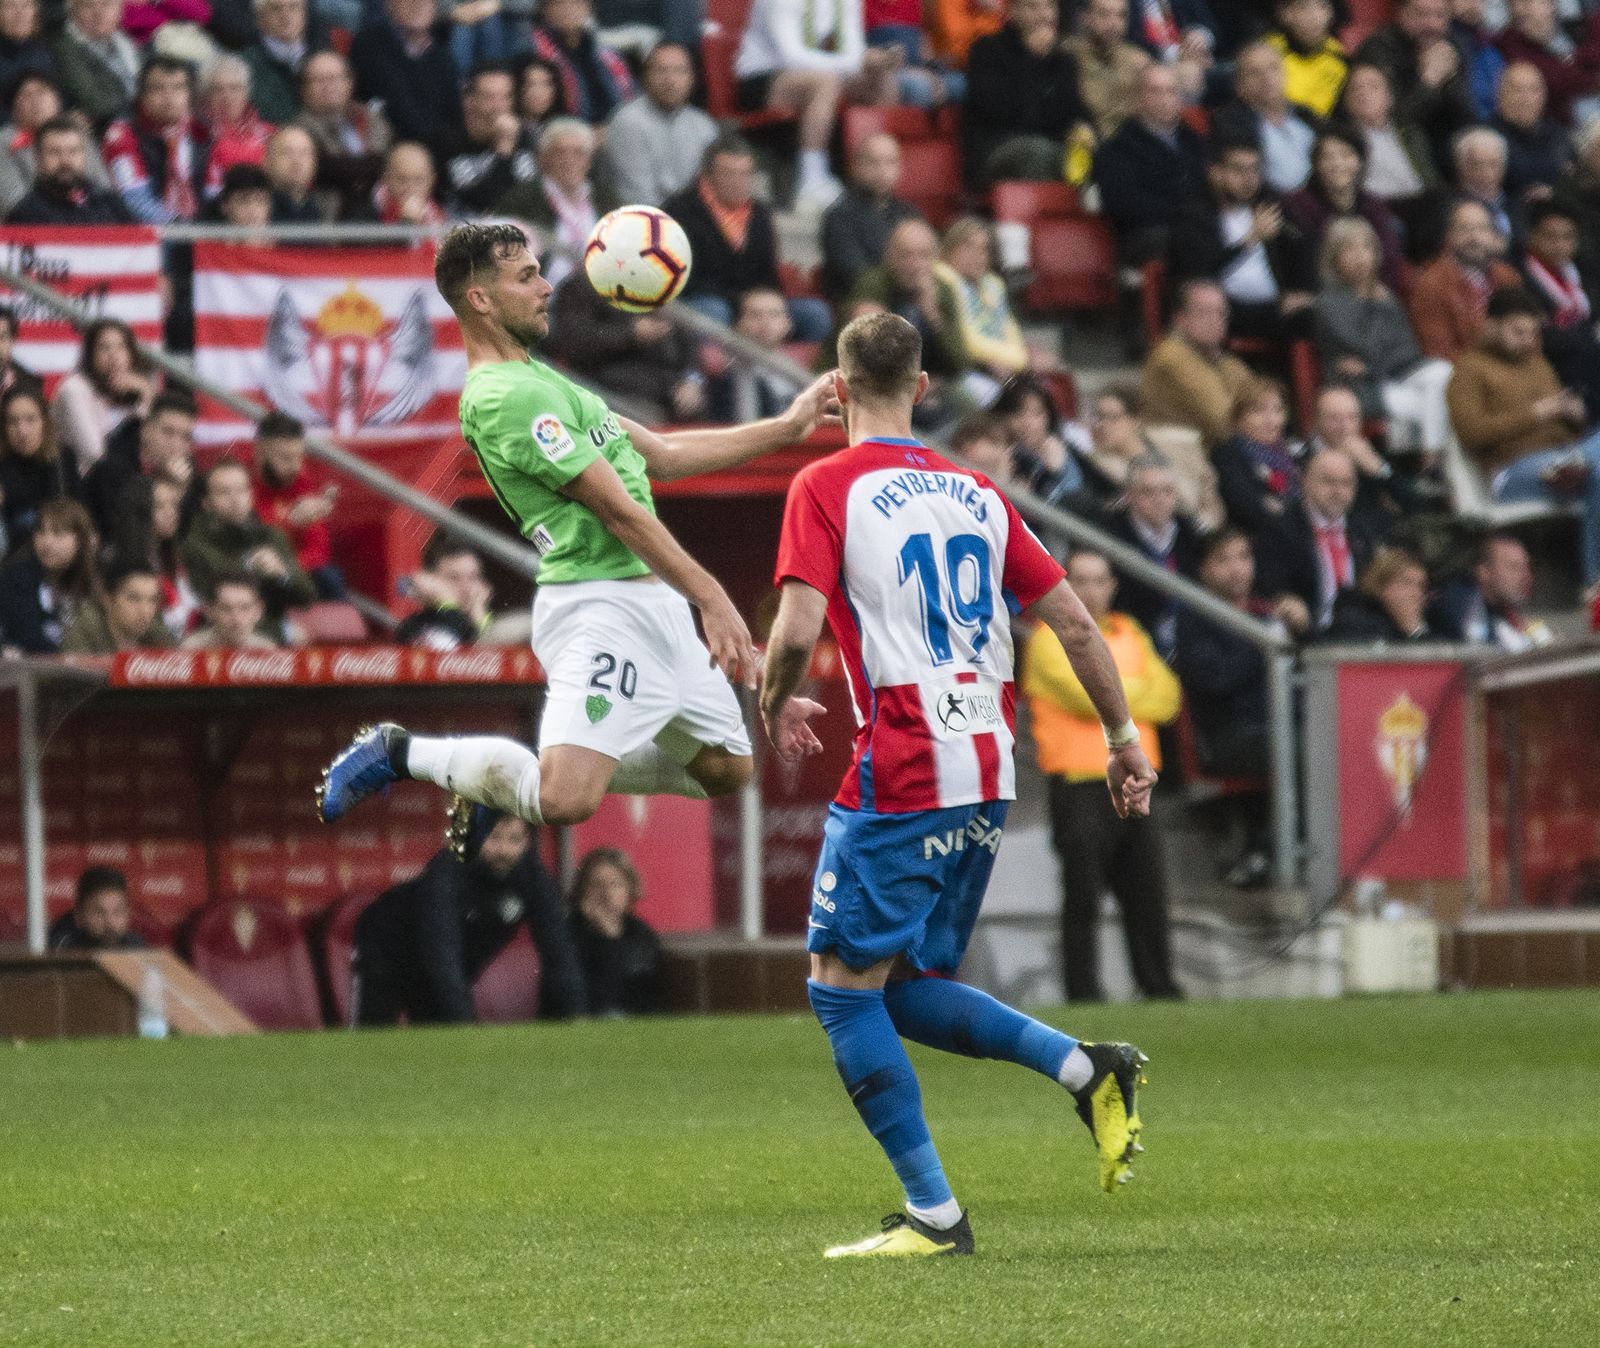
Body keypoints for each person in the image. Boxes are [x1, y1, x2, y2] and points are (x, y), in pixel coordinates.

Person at [756, 309, 1154, 1258]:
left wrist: (771, 703)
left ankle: (934, 1216)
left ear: (838, 391)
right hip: (987, 765)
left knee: (840, 991)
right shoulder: (978, 491)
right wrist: (1122, 737)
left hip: (903, 761)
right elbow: (1076, 623)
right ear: (924, 389)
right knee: (897, 986)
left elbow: (797, 626)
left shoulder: (826, 484)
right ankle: (1086, 1068)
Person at [315, 221, 838, 834]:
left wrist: (787, 427)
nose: (546, 288)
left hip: (655, 605)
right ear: (481, 299)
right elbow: (617, 511)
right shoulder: (505, 395)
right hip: (599, 606)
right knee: (564, 800)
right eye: (526, 277)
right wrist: (712, 598)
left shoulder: (544, 380)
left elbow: (662, 455)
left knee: (725, 768)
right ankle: (402, 752)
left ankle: (503, 782)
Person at [1024, 549, 1181, 1002]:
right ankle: (1083, 993)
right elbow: (1081, 694)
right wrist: (1132, 692)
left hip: (1138, 781)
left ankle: (1159, 988)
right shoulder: (1046, 638)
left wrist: (1111, 693)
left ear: (1113, 586)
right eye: (1081, 580)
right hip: (1078, 783)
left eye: (1100, 580)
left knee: (1148, 892)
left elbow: (1170, 697)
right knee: (1082, 896)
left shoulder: (1131, 630)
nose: (1091, 590)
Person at [351, 807, 586, 1025]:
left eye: (514, 839)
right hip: (388, 948)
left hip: (445, 966)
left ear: (527, 841)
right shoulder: (448, 872)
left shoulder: (534, 878)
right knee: (375, 1035)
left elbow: (559, 951)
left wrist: (576, 1017)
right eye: (494, 838)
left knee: (440, 1038)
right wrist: (468, 1032)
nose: (503, 850)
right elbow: (442, 955)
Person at [1448, 285, 1600, 584]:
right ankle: (1595, 582)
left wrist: (1574, 414)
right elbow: (1471, 434)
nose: (1527, 340)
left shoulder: (1537, 363)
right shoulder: (1468, 370)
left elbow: (1566, 420)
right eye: (1518, 332)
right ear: (1492, 326)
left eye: (1532, 333)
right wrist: (1535, 413)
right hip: (1510, 469)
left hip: (1564, 454)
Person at [1174, 527, 1277, 882]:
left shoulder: (1267, 612)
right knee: (1297, 750)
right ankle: (1265, 849)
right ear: (1203, 570)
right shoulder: (1195, 617)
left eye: (1244, 557)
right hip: (1223, 737)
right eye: (1223, 560)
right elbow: (1215, 679)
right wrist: (1263, 643)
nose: (1237, 568)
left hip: (1271, 729)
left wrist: (1299, 629)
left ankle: (1267, 849)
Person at [664, 134, 830, 341]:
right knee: (714, 311)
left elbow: (768, 273)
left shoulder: (759, 213)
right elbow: (682, 279)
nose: (738, 182)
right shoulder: (680, 210)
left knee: (815, 314)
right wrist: (743, 302)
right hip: (706, 302)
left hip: (754, 303)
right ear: (707, 175)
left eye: (745, 174)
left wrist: (769, 306)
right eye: (729, 173)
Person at [1314, 216, 1454, 453]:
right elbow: (1366, 346)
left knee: (1443, 371)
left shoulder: (1386, 296)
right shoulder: (1329, 303)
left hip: (1396, 375)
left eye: (1366, 247)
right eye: (1349, 249)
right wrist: (1374, 306)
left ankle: (1430, 458)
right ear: (1334, 257)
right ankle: (1431, 460)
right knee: (1443, 410)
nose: (1360, 256)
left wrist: (1371, 364)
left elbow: (1408, 349)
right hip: (1360, 389)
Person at [733, 0, 893, 205]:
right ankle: (812, 180)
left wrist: (873, 63)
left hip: (827, 70)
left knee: (882, 80)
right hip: (764, 76)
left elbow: (854, 48)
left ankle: (873, 174)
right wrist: (856, 62)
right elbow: (791, 56)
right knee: (826, 82)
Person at [1167, 137, 1315, 344]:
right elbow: (1199, 270)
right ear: (1215, 172)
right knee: (1314, 320)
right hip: (1225, 310)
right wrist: (1250, 239)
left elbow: (1301, 244)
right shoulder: (1194, 214)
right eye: (1239, 170)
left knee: (1328, 309)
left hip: (1274, 304)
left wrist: (1301, 292)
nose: (1249, 179)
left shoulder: (1266, 203)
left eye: (1255, 169)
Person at [1255, 444, 1386, 631]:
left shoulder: (1363, 531)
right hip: (1305, 634)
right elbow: (1272, 590)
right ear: (1304, 482)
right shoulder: (1280, 530)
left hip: (1357, 634)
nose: (1338, 491)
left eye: (1346, 483)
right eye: (1328, 481)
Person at [546, 269, 705, 422]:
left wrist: (692, 381)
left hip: (668, 387)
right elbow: (574, 341)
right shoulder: (584, 284)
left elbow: (688, 342)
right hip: (607, 379)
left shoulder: (655, 287)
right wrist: (631, 334)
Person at [961, 0, 1090, 189]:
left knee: (1102, 156)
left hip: (1050, 145)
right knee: (1039, 152)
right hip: (995, 150)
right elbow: (1004, 114)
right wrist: (1033, 60)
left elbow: (1075, 110)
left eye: (1049, 6)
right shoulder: (987, 50)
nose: (1044, 15)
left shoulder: (1063, 59)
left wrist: (1084, 129)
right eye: (1033, 6)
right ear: (1014, 11)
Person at [1093, 61, 1208, 269]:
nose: (1164, 99)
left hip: (1195, 226)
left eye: (1171, 91)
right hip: (1146, 236)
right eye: (1155, 91)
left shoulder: (1196, 142)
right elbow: (1125, 203)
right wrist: (1184, 215)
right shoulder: (1117, 148)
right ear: (1137, 99)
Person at [180, 459, 316, 632]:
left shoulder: (271, 536)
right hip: (220, 635)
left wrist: (282, 573)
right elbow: (209, 595)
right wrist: (252, 565)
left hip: (271, 635)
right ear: (207, 503)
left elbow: (306, 597)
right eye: (224, 492)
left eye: (241, 490)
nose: (235, 499)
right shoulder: (194, 543)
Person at [1099, 454, 1203, 657]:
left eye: (1167, 491)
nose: (1160, 500)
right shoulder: (1109, 534)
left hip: (1188, 643)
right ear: (1129, 495)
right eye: (1148, 492)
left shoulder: (1190, 534)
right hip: (1131, 642)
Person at [1283, 126, 1408, 293]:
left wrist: (1378, 288)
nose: (1337, 163)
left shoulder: (1372, 205)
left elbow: (1390, 259)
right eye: (1327, 157)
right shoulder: (1298, 205)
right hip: (1325, 294)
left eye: (1346, 155)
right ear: (1316, 164)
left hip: (1374, 291)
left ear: (1360, 161)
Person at [1353, 0, 1478, 164]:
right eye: (1421, 14)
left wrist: (1450, 80)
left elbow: (1466, 118)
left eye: (1439, 15)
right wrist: (1429, 81)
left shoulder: (1454, 45)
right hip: (1397, 144)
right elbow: (1394, 121)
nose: (1431, 24)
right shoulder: (1379, 49)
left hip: (1444, 142)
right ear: (1402, 14)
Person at [493, 119, 612, 285]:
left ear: (589, 160)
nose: (569, 160)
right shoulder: (524, 198)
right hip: (542, 288)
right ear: (543, 158)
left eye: (578, 153)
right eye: (560, 152)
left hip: (599, 287)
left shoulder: (605, 198)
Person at [1138, 279, 1255, 447]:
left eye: (1221, 312)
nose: (1214, 320)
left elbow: (1259, 403)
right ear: (1180, 318)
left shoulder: (1222, 360)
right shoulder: (1171, 357)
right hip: (1180, 456)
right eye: (1203, 312)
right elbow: (1222, 421)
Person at [601, 41, 716, 209]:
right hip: (642, 219)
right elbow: (639, 199)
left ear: (692, 79)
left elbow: (713, 189)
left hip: (693, 217)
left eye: (680, 71)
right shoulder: (628, 122)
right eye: (661, 71)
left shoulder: (703, 125)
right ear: (645, 77)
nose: (670, 80)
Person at [100, 54, 208, 223]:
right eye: (158, 88)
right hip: (147, 232)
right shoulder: (121, 134)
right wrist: (181, 230)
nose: (169, 96)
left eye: (178, 88)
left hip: (202, 228)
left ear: (190, 95)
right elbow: (134, 199)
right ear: (142, 95)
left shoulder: (202, 131)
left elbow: (215, 192)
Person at [1407, 198, 1521, 359]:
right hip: (1467, 369)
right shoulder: (1431, 285)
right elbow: (1439, 353)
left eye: (1482, 228)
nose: (1474, 238)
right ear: (1449, 236)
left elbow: (1528, 335)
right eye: (1464, 229)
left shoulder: (1508, 276)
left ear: (1493, 236)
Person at [79, 389, 197, 541]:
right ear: (145, 430)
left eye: (186, 437)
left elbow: (180, 542)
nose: (176, 445)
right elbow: (123, 533)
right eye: (168, 432)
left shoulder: (187, 476)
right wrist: (171, 493)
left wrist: (180, 493)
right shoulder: (114, 466)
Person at [1517, 198, 1600, 416]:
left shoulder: (1584, 271)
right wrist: (1591, 335)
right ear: (1532, 235)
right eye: (1550, 236)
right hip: (1555, 368)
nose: (1560, 245)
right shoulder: (1520, 278)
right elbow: (1544, 336)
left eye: (1567, 237)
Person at [350, 0, 462, 160]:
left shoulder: (443, 58)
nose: (418, 4)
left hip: (437, 155)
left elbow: (453, 114)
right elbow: (398, 108)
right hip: (391, 153)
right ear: (390, 5)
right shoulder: (371, 44)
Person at [935, 215, 1030, 401]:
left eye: (983, 249)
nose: (977, 255)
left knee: (1035, 395)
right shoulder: (943, 284)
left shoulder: (994, 285)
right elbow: (965, 340)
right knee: (990, 396)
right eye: (968, 247)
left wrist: (1015, 360)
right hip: (959, 371)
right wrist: (1014, 359)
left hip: (1006, 366)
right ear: (949, 249)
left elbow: (1010, 331)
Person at [820, 131, 921, 303]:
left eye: (890, 162)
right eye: (873, 162)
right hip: (861, 303)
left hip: (910, 298)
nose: (883, 170)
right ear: (856, 167)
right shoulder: (839, 217)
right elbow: (857, 275)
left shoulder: (910, 213)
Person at [252, 411, 341, 599]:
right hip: (256, 571)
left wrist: (290, 568)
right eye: (286, 458)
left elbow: (318, 550)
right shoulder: (241, 483)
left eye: (299, 457)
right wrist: (291, 522)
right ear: (261, 452)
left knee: (330, 578)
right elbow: (250, 539)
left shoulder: (301, 482)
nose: (295, 466)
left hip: (294, 569)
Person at [51, 317, 153, 480]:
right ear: (90, 355)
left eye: (121, 347)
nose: (114, 356)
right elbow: (94, 453)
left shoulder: (136, 388)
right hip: (83, 481)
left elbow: (152, 451)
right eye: (104, 348)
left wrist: (146, 394)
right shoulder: (74, 388)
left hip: (128, 478)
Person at [295, 48, 390, 220]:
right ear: (304, 90)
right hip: (331, 215)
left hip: (381, 210)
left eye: (335, 78)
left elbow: (388, 160)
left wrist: (356, 169)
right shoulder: (299, 129)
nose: (329, 86)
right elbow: (327, 168)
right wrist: (371, 167)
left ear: (349, 83)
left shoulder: (371, 117)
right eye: (319, 80)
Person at [0, 71, 114, 216]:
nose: (35, 101)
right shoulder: (5, 143)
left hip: (91, 215)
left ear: (57, 100)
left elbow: (104, 185)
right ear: (14, 110)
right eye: (26, 95)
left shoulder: (76, 133)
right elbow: (12, 201)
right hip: (37, 221)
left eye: (42, 92)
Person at [1212, 40, 1317, 195]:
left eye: (1273, 68)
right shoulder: (1230, 123)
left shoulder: (1306, 114)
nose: (1267, 78)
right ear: (1239, 85)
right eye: (1255, 72)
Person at [567, 846, 663, 1016]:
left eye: (616, 884)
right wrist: (605, 935)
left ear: (629, 889)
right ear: (582, 890)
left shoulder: (641, 934)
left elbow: (644, 994)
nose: (607, 893)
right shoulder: (567, 933)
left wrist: (610, 934)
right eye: (597, 884)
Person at [1335, 60, 1440, 214]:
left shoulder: (1411, 134)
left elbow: (1430, 180)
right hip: (1378, 210)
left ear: (1389, 97)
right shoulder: (1341, 140)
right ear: (1346, 100)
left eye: (1373, 86)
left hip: (1422, 204)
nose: (1363, 93)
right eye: (1355, 88)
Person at [0, 497, 99, 654]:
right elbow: (28, 637)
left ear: (81, 540)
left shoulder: (92, 582)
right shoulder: (16, 577)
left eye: (58, 533)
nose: (47, 542)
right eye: (40, 531)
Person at [1427, 529, 1554, 647]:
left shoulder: (1504, 608)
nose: (1525, 575)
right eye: (1513, 567)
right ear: (1483, 572)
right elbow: (1483, 648)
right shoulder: (1461, 603)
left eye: (1526, 566)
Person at [441, 60, 537, 217]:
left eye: (505, 97)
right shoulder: (449, 142)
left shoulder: (524, 139)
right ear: (470, 100)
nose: (498, 107)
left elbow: (528, 197)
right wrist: (504, 151)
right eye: (489, 97)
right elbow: (483, 201)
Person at [5, 113, 133, 223]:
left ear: (84, 156)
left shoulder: (110, 204)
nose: (65, 160)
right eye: (55, 152)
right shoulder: (25, 215)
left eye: (73, 151)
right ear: (38, 159)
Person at [1492, 0, 1600, 128]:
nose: (1519, 10)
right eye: (1512, 4)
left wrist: (1576, 61)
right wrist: (1592, 79)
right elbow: (1553, 79)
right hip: (1561, 126)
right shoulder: (1510, 41)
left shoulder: (1575, 26)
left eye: (1526, 3)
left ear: (1550, 4)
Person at [531, 0, 636, 128]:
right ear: (545, 9)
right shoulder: (534, 52)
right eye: (558, 3)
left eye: (576, 2)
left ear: (588, 7)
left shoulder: (608, 54)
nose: (567, 8)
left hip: (616, 129)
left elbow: (632, 98)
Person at [706, 287, 796, 425]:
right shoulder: (727, 378)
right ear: (738, 324)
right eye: (755, 315)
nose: (765, 322)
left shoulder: (795, 369)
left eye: (774, 314)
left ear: (787, 323)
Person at [1064, 0, 1151, 141]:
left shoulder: (1140, 63)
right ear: (1085, 18)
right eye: (1104, 15)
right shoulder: (1067, 56)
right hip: (1082, 144)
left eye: (1121, 16)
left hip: (1131, 146)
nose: (1114, 24)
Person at [0, 383, 68, 555]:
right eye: (12, 422)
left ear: (44, 422)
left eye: (30, 420)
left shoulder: (62, 460)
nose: (22, 431)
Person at [52, 0, 140, 129]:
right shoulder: (65, 49)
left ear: (120, 10)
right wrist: (143, 99)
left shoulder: (126, 43)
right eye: (88, 5)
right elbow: (96, 102)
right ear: (73, 11)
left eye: (106, 4)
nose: (99, 13)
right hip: (102, 129)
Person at [394, 533, 493, 647]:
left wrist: (481, 617)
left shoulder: (493, 623)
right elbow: (458, 641)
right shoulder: (415, 626)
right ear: (432, 582)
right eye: (454, 578)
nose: (466, 587)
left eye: (472, 577)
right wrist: (447, 603)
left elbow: (489, 646)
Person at [1322, 545, 1437, 642]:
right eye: (1406, 582)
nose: (1416, 593)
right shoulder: (1353, 617)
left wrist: (1415, 630)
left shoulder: (1428, 621)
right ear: (1381, 584)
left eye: (1420, 586)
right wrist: (1409, 629)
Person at [60, 555, 175, 652]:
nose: (145, 611)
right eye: (133, 598)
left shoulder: (156, 634)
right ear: (108, 599)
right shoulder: (83, 635)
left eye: (152, 600)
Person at [1491, 60, 1571, 197]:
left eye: (1533, 90)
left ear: (1543, 96)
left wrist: (1554, 194)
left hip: (1558, 205)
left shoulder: (1557, 133)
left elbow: (1572, 174)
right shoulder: (1487, 135)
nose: (1526, 98)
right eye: (1517, 90)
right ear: (1499, 94)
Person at [201, 51, 273, 194]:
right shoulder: (198, 133)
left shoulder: (270, 134)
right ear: (207, 94)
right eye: (218, 89)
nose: (226, 96)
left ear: (246, 92)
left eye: (235, 88)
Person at [1265, 0, 1346, 119]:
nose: (1314, 16)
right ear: (1284, 13)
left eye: (1322, 6)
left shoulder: (1339, 56)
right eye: (1303, 7)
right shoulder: (1268, 52)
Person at [239, 0, 311, 124]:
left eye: (293, 7)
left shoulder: (323, 57)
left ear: (304, 15)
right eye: (275, 9)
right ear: (260, 18)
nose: (285, 15)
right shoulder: (243, 65)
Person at [1452, 125, 1521, 244]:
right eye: (1477, 165)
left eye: (1493, 165)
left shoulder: (1517, 205)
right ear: (1461, 167)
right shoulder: (1451, 209)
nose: (1486, 173)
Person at [48, 867, 145, 951]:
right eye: (98, 912)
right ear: (79, 916)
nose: (109, 923)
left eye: (118, 911)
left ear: (128, 914)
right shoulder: (59, 950)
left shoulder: (137, 947)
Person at [180, 572, 278, 647]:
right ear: (210, 611)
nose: (237, 619)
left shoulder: (270, 653)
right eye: (226, 609)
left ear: (258, 611)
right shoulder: (190, 652)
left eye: (245, 608)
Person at [262, 122, 322, 222]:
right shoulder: (257, 211)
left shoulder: (322, 207)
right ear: (267, 161)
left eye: (304, 153)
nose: (297, 161)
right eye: (286, 153)